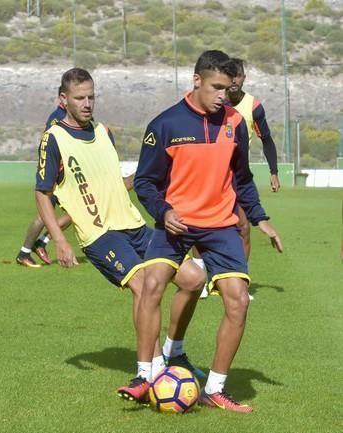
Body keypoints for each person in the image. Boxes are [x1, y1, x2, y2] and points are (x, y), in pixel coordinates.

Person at [123, 50, 283, 412]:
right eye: (216, 88)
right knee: (151, 285)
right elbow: (146, 182)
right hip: (175, 224)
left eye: (228, 89)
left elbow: (242, 178)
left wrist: (260, 218)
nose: (222, 97)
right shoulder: (165, 124)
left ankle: (215, 388)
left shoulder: (234, 124)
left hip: (220, 226)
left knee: (238, 300)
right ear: (196, 80)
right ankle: (144, 376)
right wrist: (164, 212)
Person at [35, 68, 207, 394]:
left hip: (135, 225)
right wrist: (58, 239)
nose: (87, 104)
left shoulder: (104, 131)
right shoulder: (53, 138)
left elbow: (116, 184)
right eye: (79, 98)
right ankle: (151, 372)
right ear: (63, 100)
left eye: (91, 97)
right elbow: (42, 193)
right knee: (143, 287)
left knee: (194, 279)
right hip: (100, 235)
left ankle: (175, 352)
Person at [198, 57, 281, 299]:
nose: (234, 80)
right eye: (229, 75)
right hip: (208, 174)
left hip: (237, 176)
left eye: (238, 75)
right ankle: (203, 278)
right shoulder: (212, 101)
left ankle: (238, 280)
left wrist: (274, 171)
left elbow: (266, 139)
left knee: (243, 227)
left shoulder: (253, 106)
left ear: (244, 78)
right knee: (199, 226)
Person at [16, 90, 73, 267]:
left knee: (74, 213)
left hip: (64, 174)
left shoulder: (66, 116)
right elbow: (48, 145)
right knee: (45, 215)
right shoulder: (58, 118)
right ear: (62, 98)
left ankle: (38, 244)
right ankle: (26, 252)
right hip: (56, 175)